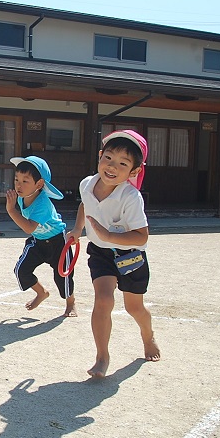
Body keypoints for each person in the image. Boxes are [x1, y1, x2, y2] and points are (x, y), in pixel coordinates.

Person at [66, 130, 160, 379]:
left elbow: (142, 236)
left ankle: (148, 337)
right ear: (100, 156)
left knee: (134, 308)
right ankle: (102, 356)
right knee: (103, 300)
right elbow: (85, 203)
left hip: (131, 256)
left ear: (134, 171)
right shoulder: (87, 183)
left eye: (122, 163)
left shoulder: (131, 197)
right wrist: (78, 229)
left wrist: (110, 236)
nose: (112, 166)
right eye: (108, 158)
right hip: (100, 253)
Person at [6, 156, 76, 317]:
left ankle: (71, 302)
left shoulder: (43, 203)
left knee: (63, 277)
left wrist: (11, 210)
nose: (18, 185)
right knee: (21, 270)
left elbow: (29, 227)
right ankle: (41, 292)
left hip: (58, 242)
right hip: (38, 241)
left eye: (25, 181)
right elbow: (31, 231)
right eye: (17, 179)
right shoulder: (22, 197)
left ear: (39, 184)